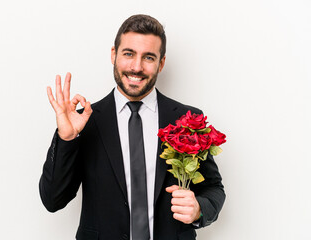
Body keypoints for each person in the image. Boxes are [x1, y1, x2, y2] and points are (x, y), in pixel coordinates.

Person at [39, 14, 225, 240]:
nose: (136, 67)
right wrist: (67, 138)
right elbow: (53, 200)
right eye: (129, 54)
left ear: (161, 63)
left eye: (148, 57)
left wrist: (198, 209)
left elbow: (214, 189)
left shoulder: (188, 119)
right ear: (113, 55)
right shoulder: (84, 123)